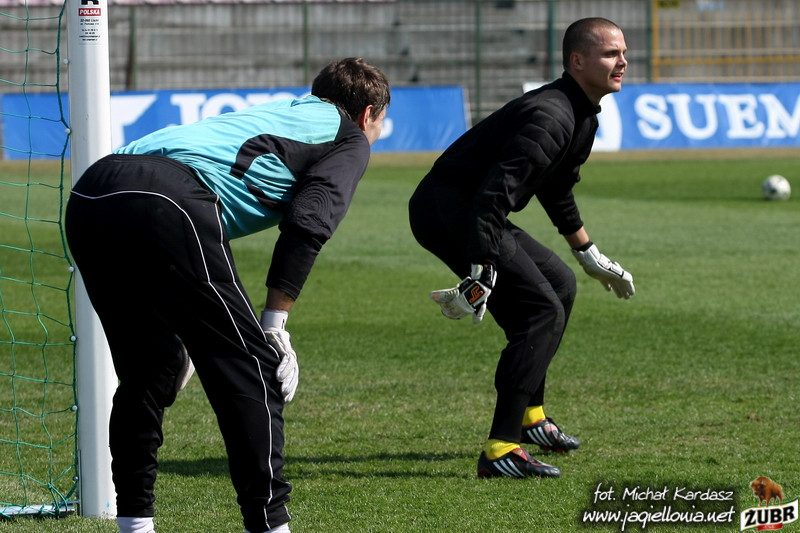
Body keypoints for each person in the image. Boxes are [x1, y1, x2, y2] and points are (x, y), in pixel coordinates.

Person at [65, 57, 390, 533]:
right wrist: (275, 325)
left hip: (92, 193)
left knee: (147, 371)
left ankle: (134, 525)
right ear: (367, 115)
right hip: (168, 197)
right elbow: (310, 221)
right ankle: (270, 526)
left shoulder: (281, 110)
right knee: (255, 368)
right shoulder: (351, 136)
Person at [408, 18, 634, 479]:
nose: (623, 62)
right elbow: (492, 197)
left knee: (560, 285)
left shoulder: (582, 116)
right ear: (577, 61)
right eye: (611, 53)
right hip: (448, 211)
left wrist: (587, 253)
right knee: (539, 312)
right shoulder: (552, 116)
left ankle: (532, 418)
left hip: (473, 209)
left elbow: (556, 188)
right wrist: (482, 269)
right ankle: (501, 449)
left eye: (623, 53)